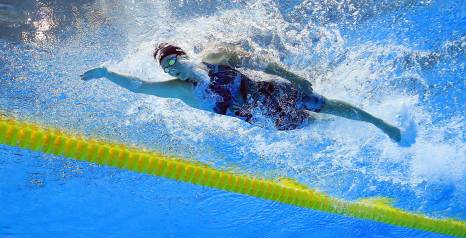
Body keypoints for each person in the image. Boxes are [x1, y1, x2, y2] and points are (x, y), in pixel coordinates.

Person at [81, 43, 402, 142]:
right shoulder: (183, 91)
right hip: (266, 120)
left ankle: (379, 123)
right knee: (319, 125)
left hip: (276, 92)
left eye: (173, 61)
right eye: (167, 68)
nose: (172, 70)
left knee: (326, 105)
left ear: (184, 55)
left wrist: (294, 75)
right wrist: (108, 74)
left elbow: (260, 60)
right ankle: (359, 131)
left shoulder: (215, 58)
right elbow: (141, 88)